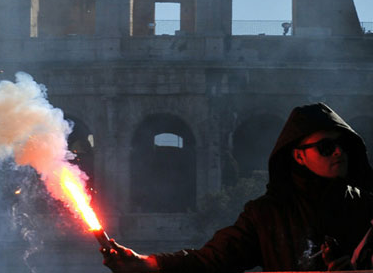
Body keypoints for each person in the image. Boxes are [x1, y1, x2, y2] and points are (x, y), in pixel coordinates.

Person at [102, 103, 373, 272]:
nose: (338, 152)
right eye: (326, 147)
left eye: (342, 145)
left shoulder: (368, 209)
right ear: (299, 156)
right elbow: (210, 261)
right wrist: (148, 264)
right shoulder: (267, 214)